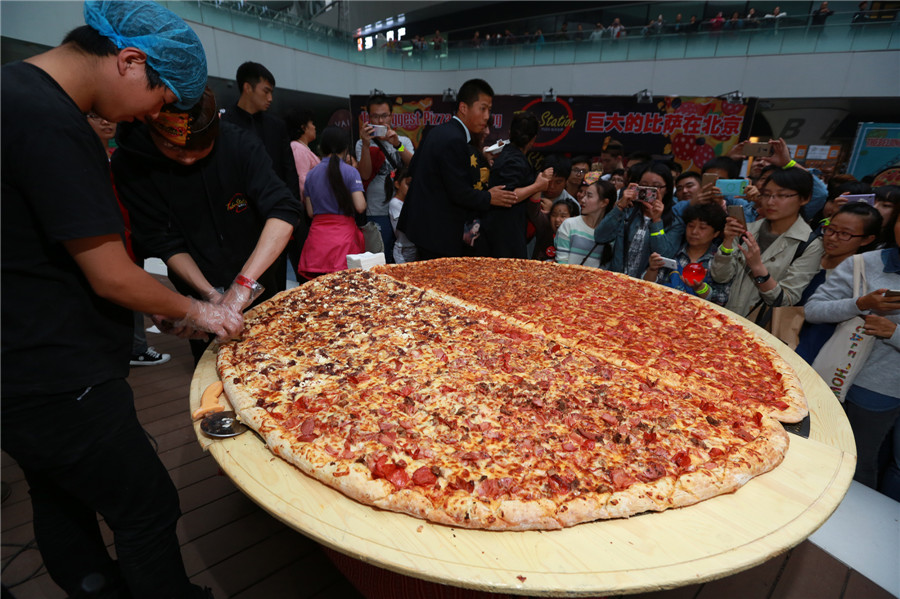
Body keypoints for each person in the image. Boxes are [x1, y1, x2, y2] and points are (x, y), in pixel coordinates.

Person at [1, 3, 242, 598]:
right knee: (148, 506)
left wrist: (157, 300)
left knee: (60, 495)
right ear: (132, 63)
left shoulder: (12, 90)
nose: (152, 117)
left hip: (18, 366)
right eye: (161, 102)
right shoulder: (51, 120)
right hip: (58, 373)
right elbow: (110, 275)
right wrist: (196, 309)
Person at [113, 88, 302, 363]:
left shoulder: (239, 144)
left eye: (200, 150)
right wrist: (210, 296)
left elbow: (284, 210)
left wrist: (242, 286)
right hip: (197, 292)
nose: (188, 158)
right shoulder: (132, 164)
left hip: (262, 281)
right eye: (174, 149)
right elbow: (164, 241)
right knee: (216, 372)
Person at [804, 214, 900, 500]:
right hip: (832, 373)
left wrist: (893, 332)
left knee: (859, 461)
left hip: (881, 388)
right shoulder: (864, 263)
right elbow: (814, 310)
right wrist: (860, 303)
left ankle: (850, 528)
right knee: (816, 447)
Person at [86, 111, 171, 367]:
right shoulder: (85, 163)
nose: (105, 119)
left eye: (107, 116)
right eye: (94, 115)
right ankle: (135, 347)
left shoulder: (112, 158)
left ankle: (134, 347)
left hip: (129, 238)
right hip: (108, 243)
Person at [397, 79, 517, 259]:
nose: (486, 116)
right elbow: (459, 192)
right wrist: (490, 197)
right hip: (437, 235)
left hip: (421, 229)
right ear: (463, 107)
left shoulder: (438, 131)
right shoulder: (455, 139)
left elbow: (414, 167)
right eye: (482, 108)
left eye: (489, 110)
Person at [221, 61, 301, 286]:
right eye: (266, 91)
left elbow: (289, 171)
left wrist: (291, 211)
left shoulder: (276, 126)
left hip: (276, 215)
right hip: (238, 219)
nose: (270, 99)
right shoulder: (225, 124)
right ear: (247, 87)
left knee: (275, 285)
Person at [710, 167, 824, 318]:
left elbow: (785, 299)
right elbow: (720, 277)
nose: (771, 202)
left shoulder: (809, 245)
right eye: (766, 194)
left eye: (782, 195)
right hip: (725, 318)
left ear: (804, 199)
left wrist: (758, 267)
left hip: (758, 328)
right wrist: (728, 241)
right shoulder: (748, 229)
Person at [796, 203, 883, 362]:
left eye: (844, 234)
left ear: (867, 239)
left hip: (817, 352)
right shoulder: (808, 255)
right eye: (830, 229)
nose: (832, 237)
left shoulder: (860, 278)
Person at [298, 127, 366, 277]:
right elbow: (360, 207)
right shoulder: (351, 171)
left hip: (317, 242)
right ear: (346, 148)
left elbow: (310, 212)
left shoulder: (311, 174)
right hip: (344, 241)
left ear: (321, 147)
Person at [483, 112, 552, 258]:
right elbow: (507, 196)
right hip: (505, 232)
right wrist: (537, 186)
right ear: (533, 139)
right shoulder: (514, 160)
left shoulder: (508, 154)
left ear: (510, 133)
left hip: (504, 227)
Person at [355, 93, 414, 262]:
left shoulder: (403, 141)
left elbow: (414, 166)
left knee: (405, 259)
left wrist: (397, 145)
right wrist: (366, 145)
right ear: (368, 117)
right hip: (377, 211)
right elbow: (364, 174)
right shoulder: (362, 143)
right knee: (380, 261)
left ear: (391, 116)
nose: (380, 122)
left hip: (403, 210)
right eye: (375, 116)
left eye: (384, 116)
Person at [593, 161, 678, 277]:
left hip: (648, 287)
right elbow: (600, 236)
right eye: (644, 185)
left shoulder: (675, 220)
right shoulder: (628, 210)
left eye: (656, 187)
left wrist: (657, 221)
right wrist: (619, 207)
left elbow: (663, 256)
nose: (649, 191)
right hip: (616, 281)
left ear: (667, 189)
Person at [645, 203, 731, 305]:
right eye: (691, 226)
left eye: (702, 228)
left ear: (716, 233)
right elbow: (647, 286)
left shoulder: (719, 261)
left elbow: (721, 299)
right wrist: (652, 269)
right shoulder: (673, 252)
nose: (694, 231)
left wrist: (700, 288)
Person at [556, 175, 615, 268]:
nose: (583, 200)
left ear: (604, 202)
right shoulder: (569, 225)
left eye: (589, 196)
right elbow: (561, 264)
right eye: (584, 195)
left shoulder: (610, 233)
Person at [285, 108, 320, 201]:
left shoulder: (301, 148)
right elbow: (302, 182)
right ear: (303, 127)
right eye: (312, 123)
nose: (314, 127)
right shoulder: (298, 149)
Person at [388, 167, 417, 264]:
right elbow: (407, 225)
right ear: (397, 184)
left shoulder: (408, 202)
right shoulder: (395, 203)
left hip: (412, 247)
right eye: (408, 184)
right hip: (403, 249)